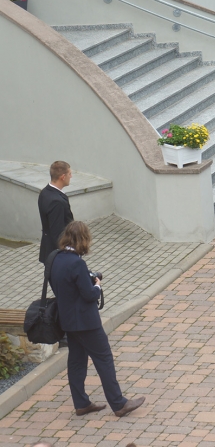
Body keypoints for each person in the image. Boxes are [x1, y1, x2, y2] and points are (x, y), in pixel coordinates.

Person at [49, 221, 145, 418]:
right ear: (83, 240)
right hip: (86, 323)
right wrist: (97, 285)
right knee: (104, 359)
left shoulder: (55, 258)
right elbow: (89, 295)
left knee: (76, 361)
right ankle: (119, 404)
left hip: (68, 321)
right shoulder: (77, 263)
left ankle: (81, 404)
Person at [38, 161, 74, 264]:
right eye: (69, 174)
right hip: (58, 256)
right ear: (63, 177)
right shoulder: (56, 202)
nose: (71, 176)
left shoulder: (45, 192)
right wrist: (69, 256)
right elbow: (58, 233)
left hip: (50, 252)